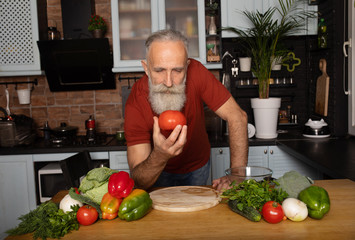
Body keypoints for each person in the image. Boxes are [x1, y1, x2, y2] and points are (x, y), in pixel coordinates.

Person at [124, 29, 248, 191]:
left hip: (197, 166)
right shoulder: (136, 99)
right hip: (157, 170)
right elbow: (139, 179)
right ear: (146, 68)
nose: (168, 82)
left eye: (177, 70)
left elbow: (238, 116)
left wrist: (237, 175)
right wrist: (160, 156)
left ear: (187, 67)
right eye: (159, 70)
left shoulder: (197, 72)